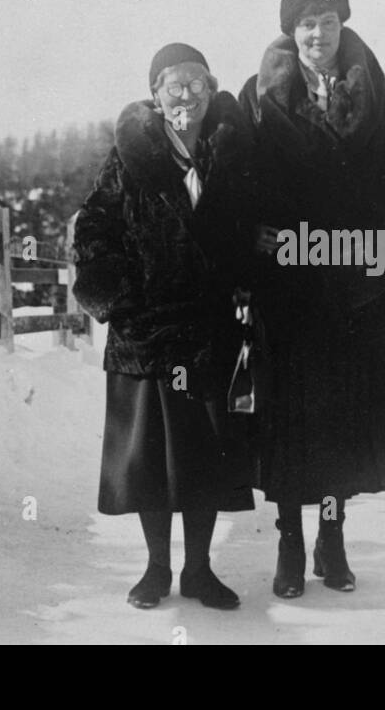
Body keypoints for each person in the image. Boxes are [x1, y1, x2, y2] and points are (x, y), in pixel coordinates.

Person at [236, 0, 385, 598]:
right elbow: (240, 180)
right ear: (292, 30)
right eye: (307, 23)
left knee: (342, 419)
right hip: (287, 286)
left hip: (354, 287)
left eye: (328, 23)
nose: (318, 34)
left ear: (342, 28)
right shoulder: (257, 96)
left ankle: (331, 542)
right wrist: (258, 242)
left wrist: (384, 242)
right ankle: (289, 543)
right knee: (288, 419)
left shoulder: (376, 92)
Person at [72, 43, 254, 611]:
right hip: (147, 336)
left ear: (211, 88)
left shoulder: (227, 153)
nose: (186, 95)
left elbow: (248, 230)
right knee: (151, 459)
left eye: (197, 83)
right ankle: (156, 570)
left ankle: (199, 571)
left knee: (204, 456)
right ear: (155, 94)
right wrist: (123, 300)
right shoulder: (130, 156)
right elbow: (93, 230)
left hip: (207, 334)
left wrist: (246, 289)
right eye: (174, 85)